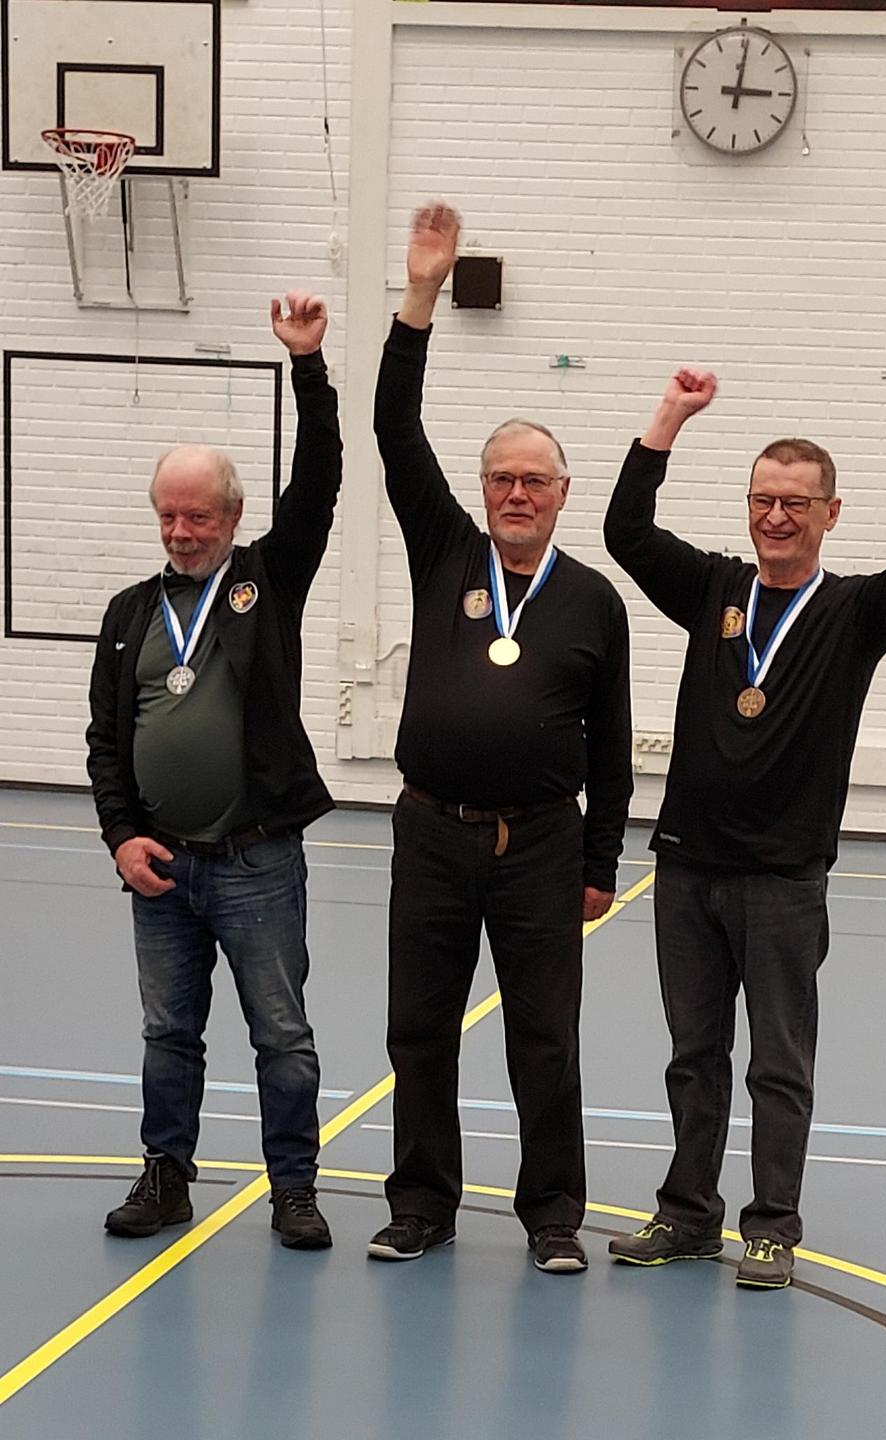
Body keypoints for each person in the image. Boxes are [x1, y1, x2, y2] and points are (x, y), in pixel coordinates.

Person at [603, 368, 886, 1288]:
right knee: (693, 1058)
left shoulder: (855, 614)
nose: (776, 516)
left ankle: (771, 1226)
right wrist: (669, 418)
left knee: (778, 1064)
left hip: (783, 881)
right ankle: (688, 1215)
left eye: (796, 503)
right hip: (686, 869)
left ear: (830, 514)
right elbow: (626, 532)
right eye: (763, 500)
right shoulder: (713, 590)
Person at [368, 204, 633, 1274]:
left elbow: (612, 746)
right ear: (482, 492)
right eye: (502, 479)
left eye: (535, 481)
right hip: (433, 834)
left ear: (564, 494)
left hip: (541, 847)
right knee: (419, 1028)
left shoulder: (594, 601)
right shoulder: (444, 551)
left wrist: (600, 863)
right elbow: (396, 432)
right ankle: (422, 1204)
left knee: (544, 1035)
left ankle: (553, 1215)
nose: (517, 494)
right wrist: (420, 297)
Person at [86, 293, 342, 1249]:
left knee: (281, 1033)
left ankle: (294, 1189)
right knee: (167, 1032)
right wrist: (121, 837)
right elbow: (104, 741)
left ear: (233, 516)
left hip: (255, 861)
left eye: (197, 515)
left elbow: (319, 480)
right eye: (168, 516)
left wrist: (307, 365)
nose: (182, 531)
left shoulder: (268, 581)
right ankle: (166, 1176)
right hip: (160, 865)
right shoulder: (129, 613)